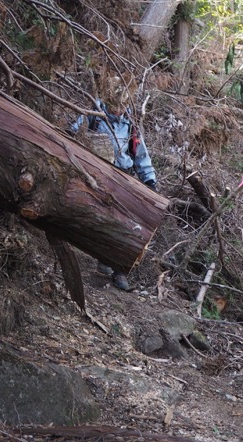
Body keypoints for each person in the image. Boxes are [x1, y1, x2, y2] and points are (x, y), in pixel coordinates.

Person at [71, 77, 158, 291]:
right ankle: (101, 257)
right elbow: (74, 132)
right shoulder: (94, 115)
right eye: (115, 104)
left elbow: (141, 155)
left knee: (124, 223)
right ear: (108, 99)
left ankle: (119, 272)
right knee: (101, 218)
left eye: (122, 105)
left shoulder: (130, 125)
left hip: (123, 176)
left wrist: (150, 181)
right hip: (97, 173)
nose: (118, 109)